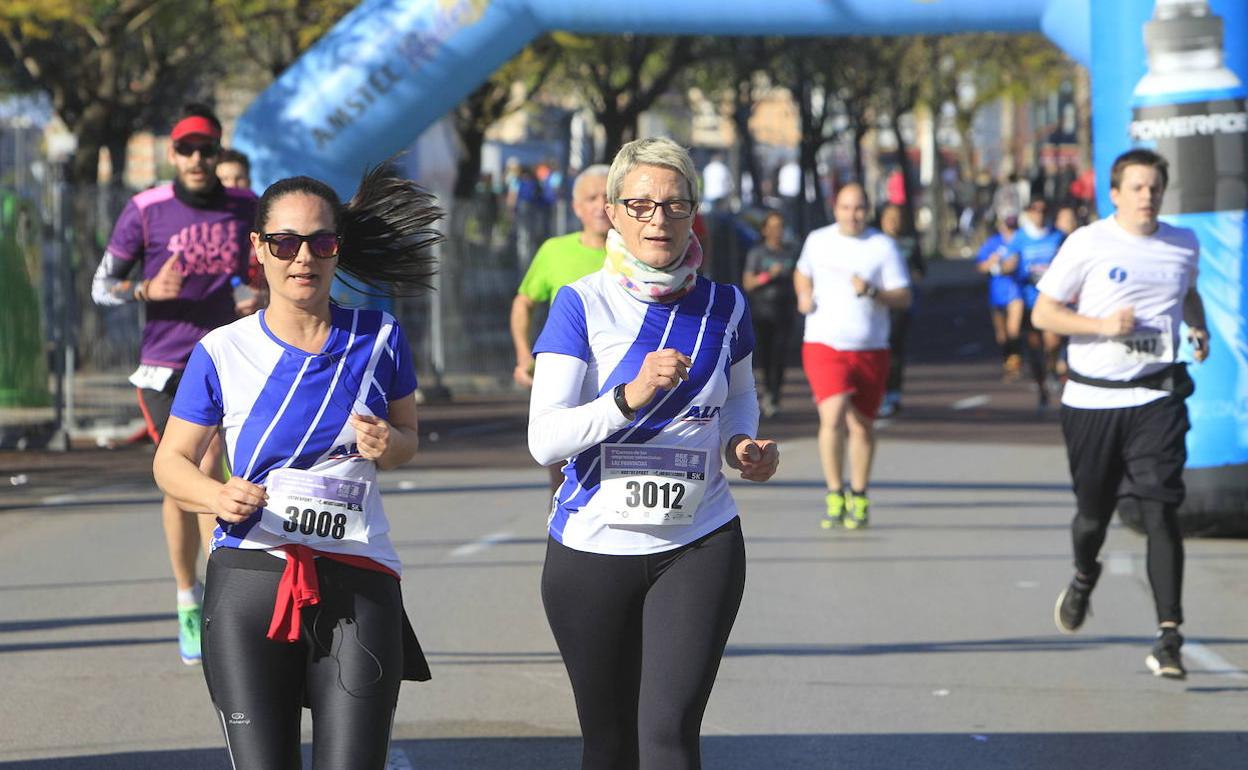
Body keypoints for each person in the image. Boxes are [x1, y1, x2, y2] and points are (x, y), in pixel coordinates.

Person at [151, 166, 439, 765]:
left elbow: (410, 437)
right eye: (285, 242)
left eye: (320, 242)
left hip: (359, 577)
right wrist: (214, 496)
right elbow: (170, 463)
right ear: (259, 248)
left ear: (338, 247)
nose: (302, 257)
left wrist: (390, 443)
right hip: (250, 581)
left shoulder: (380, 335)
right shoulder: (222, 350)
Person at [528, 137, 779, 769]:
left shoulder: (724, 305)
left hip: (699, 542)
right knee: (609, 744)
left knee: (667, 735)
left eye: (673, 205)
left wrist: (741, 444)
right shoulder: (580, 303)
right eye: (638, 205)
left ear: (693, 213)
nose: (657, 220)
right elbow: (544, 440)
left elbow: (741, 394)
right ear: (611, 212)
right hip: (592, 549)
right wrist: (629, 395)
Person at [91, 103, 258, 665]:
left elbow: (263, 271)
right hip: (167, 367)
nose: (195, 158)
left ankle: (223, 598)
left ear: (216, 153)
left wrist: (259, 296)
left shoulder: (245, 208)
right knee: (194, 473)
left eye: (205, 149)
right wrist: (144, 291)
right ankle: (193, 597)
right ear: (172, 153)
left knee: (208, 475)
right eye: (186, 149)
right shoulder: (145, 209)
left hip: (231, 360)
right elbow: (101, 286)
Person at [1032, 148, 1209, 680]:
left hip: (1156, 397)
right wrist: (1103, 327)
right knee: (1092, 516)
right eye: (1136, 187)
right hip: (1092, 400)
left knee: (1161, 510)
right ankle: (1085, 575)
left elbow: (1188, 293)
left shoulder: (1182, 244)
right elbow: (1045, 312)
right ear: (1115, 194)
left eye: (1154, 187)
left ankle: (1169, 636)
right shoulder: (1087, 243)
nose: (1146, 196)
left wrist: (1197, 328)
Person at [795, 184, 911, 530]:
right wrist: (804, 295)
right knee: (832, 416)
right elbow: (802, 272)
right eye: (846, 207)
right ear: (836, 208)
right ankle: (834, 492)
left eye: (859, 208)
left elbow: (903, 296)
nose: (853, 214)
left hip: (871, 347)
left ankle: (858, 493)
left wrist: (873, 291)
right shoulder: (818, 240)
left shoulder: (882, 247)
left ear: (868, 210)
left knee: (862, 427)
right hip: (824, 343)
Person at [511, 165, 611, 493]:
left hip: (620, 377)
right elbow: (523, 303)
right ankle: (563, 531)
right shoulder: (555, 251)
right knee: (563, 472)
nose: (600, 206)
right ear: (576, 207)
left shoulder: (641, 255)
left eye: (608, 197)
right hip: (568, 373)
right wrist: (525, 356)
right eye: (591, 198)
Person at [1002, 197, 1065, 409]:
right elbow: (1007, 263)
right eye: (1035, 210)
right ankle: (1042, 388)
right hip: (1029, 300)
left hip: (1051, 300)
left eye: (1043, 210)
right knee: (1034, 348)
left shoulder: (1057, 236)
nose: (1039, 214)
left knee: (1053, 341)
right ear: (1028, 213)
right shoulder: (1020, 238)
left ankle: (1053, 369)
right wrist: (1009, 266)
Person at [741, 210, 798, 417]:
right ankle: (768, 391)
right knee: (765, 355)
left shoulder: (791, 253)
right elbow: (748, 282)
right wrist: (767, 276)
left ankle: (775, 393)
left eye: (780, 227)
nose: (776, 232)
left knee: (780, 353)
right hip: (762, 311)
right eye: (772, 227)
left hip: (785, 309)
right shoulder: (757, 253)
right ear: (764, 230)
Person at [877, 203, 925, 417]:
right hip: (877, 305)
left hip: (900, 304)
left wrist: (907, 276)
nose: (893, 222)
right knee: (877, 350)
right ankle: (878, 392)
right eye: (889, 217)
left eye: (897, 217)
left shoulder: (908, 244)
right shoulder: (874, 243)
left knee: (894, 349)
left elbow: (921, 270)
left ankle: (893, 393)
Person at [975, 214, 1025, 381]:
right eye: (1008, 228)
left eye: (1014, 229)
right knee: (1002, 335)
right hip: (997, 294)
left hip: (1015, 292)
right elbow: (980, 266)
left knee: (1013, 330)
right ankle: (1008, 362)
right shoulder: (993, 243)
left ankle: (1014, 366)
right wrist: (992, 262)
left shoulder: (1020, 241)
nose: (1010, 233)